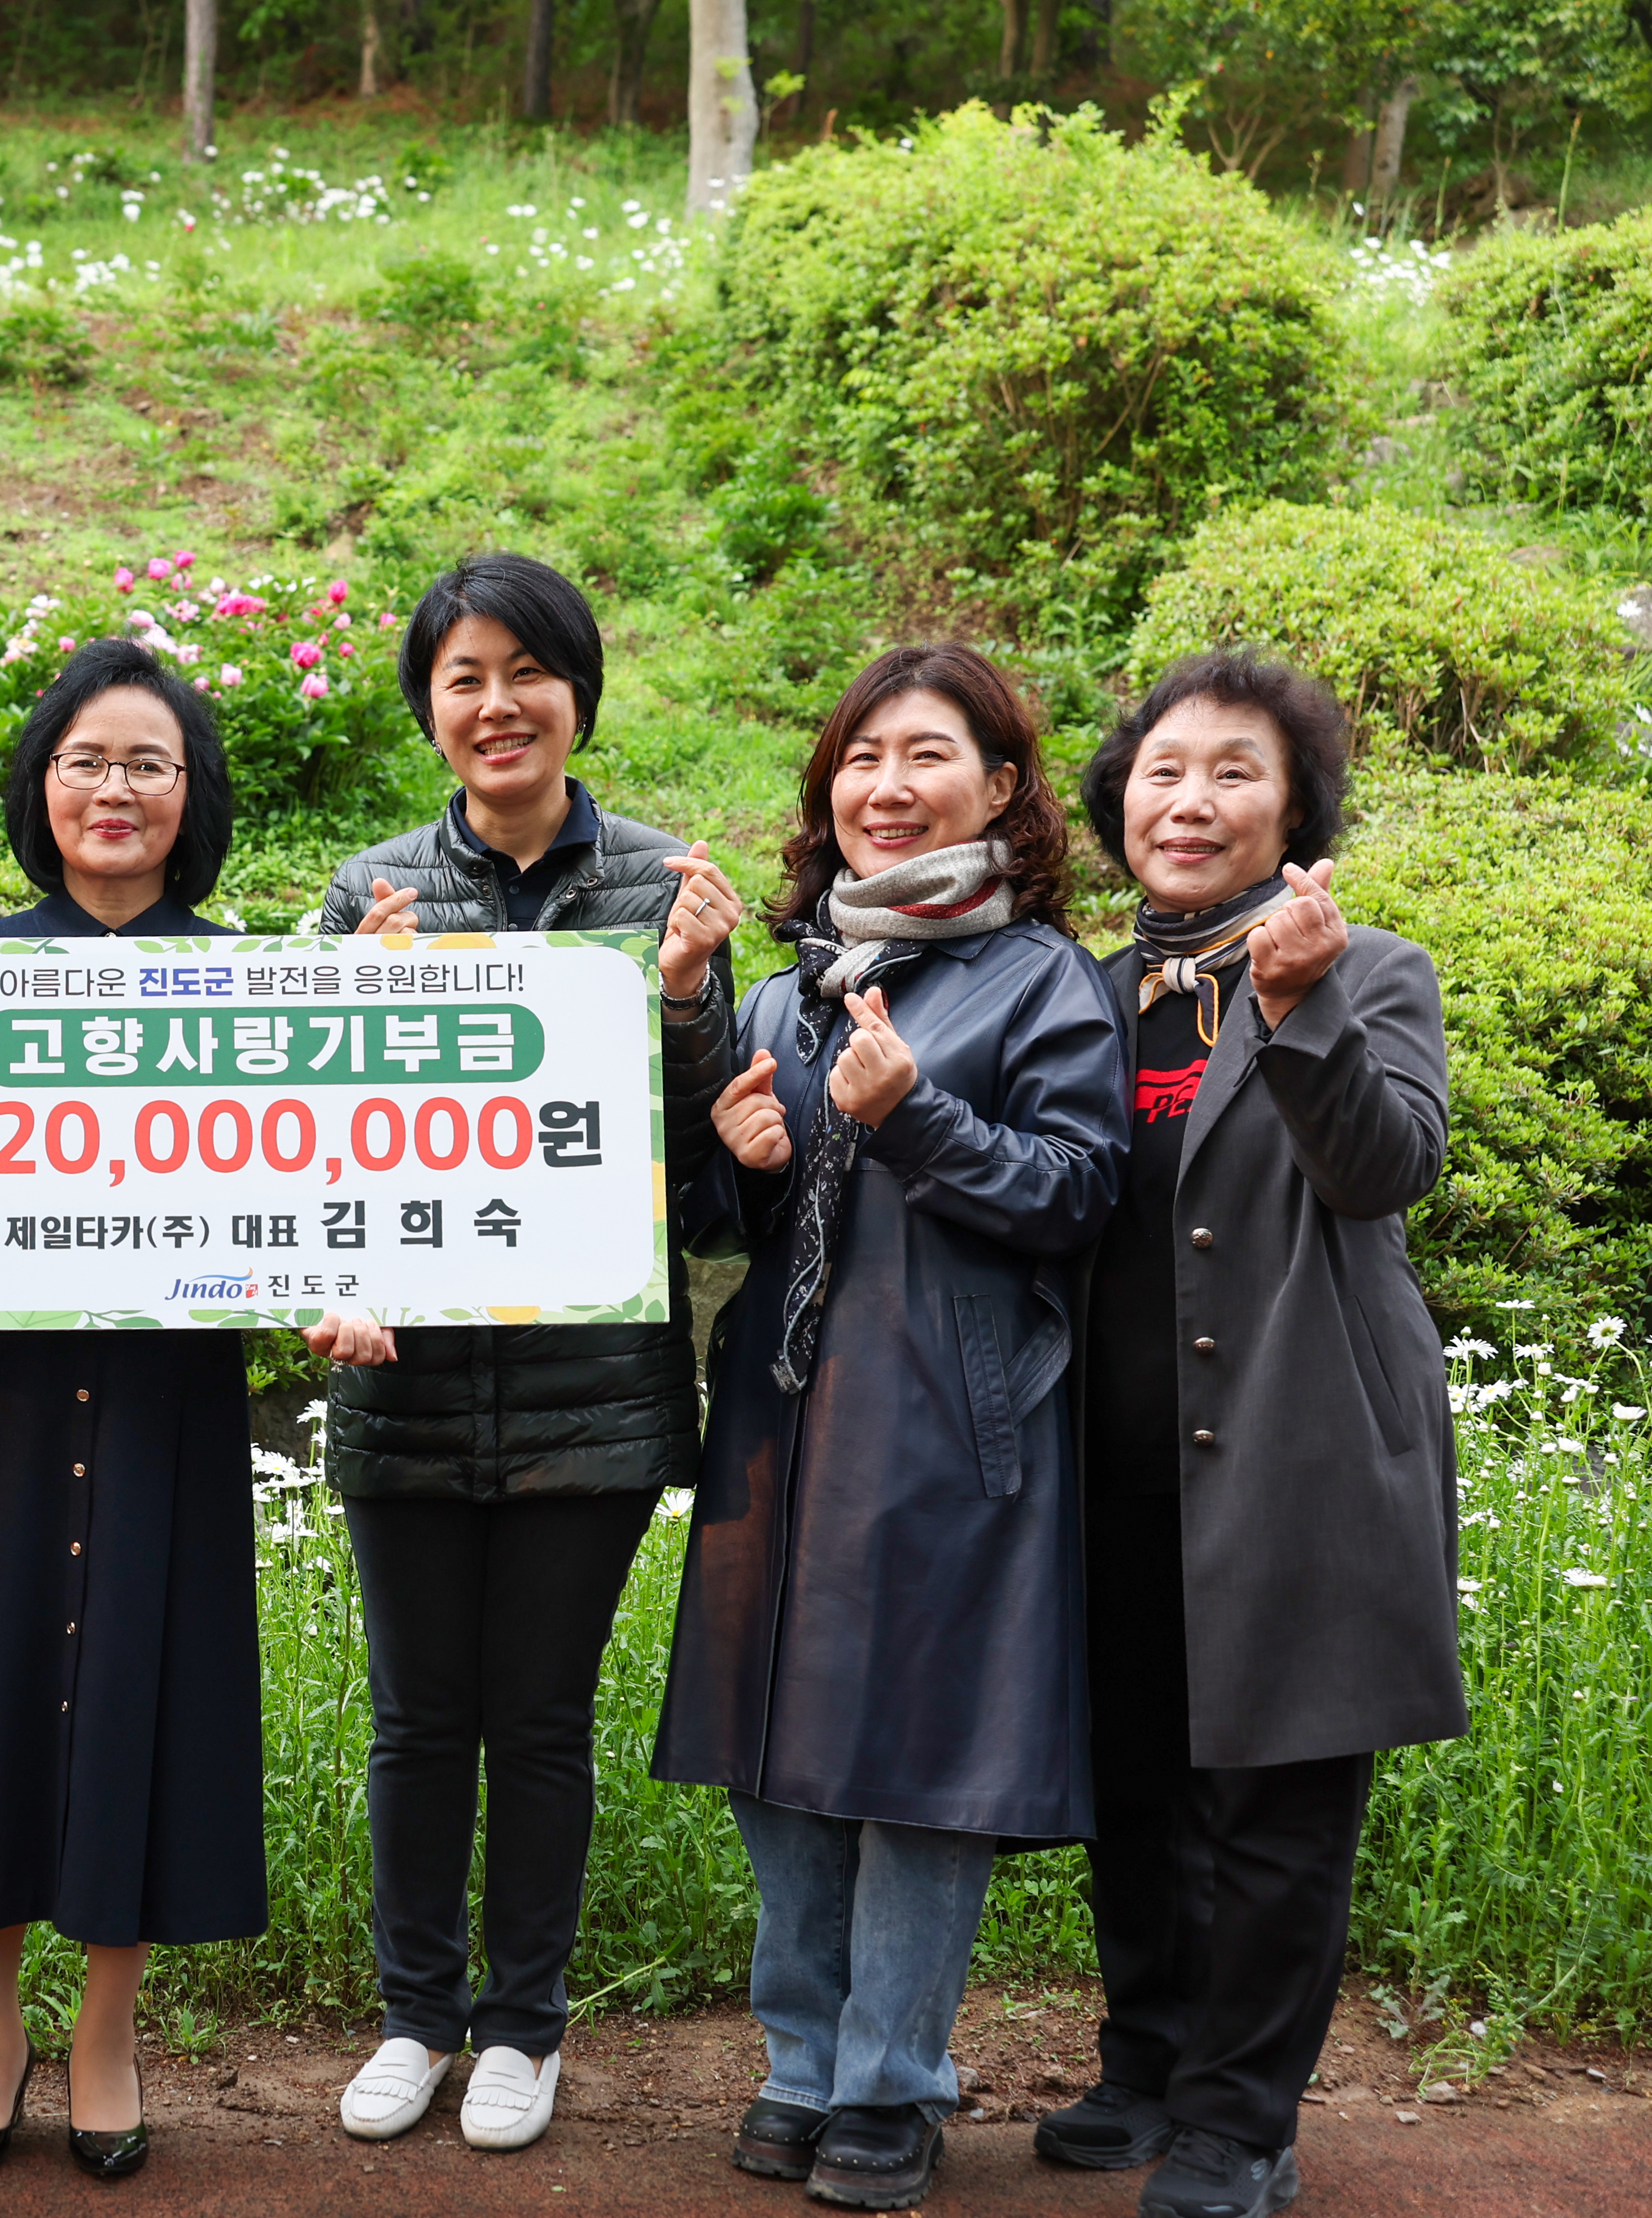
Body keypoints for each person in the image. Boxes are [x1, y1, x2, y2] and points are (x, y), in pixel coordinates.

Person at [652, 643, 1127, 2212]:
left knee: (924, 1764)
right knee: (773, 1753)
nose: (885, 785)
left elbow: (1075, 1195)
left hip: (954, 1428)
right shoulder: (795, 984)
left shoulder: (1042, 977)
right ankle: (799, 2062)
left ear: (998, 790)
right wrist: (740, 1144)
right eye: (861, 758)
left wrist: (910, 1113)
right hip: (780, 1426)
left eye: (926, 755)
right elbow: (746, 1219)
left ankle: (893, 2083)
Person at [303, 553, 744, 2153]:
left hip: (594, 1391)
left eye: (526, 672)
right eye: (463, 677)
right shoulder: (372, 895)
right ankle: (418, 2016)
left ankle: (526, 2028)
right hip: (403, 1378)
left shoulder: (661, 886)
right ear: (430, 710)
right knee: (419, 1718)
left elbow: (711, 1172)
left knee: (542, 1721)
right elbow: (307, 1144)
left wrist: (690, 997)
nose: (497, 704)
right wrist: (359, 1009)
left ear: (578, 693)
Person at [1035, 653, 1464, 2218]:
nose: (1191, 800)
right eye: (1163, 771)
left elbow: (1384, 1168)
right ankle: (1146, 2060)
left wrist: (1295, 1012)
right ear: (1117, 802)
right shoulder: (1077, 988)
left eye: (1234, 772)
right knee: (1138, 1781)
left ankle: (1242, 2122)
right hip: (1111, 1466)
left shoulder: (1374, 972)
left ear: (1294, 812)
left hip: (1303, 1457)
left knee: (1278, 1805)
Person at [0, 638, 263, 2185]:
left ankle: (111, 2033)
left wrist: (355, 1268)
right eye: (87, 760)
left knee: (149, 1685)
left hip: (169, 1401)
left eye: (151, 762)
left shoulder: (252, 987)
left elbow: (335, 1188)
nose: (116, 789)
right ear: (41, 786)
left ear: (190, 796)